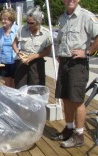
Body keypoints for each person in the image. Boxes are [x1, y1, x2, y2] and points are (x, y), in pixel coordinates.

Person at [51, 0, 98, 148]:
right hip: (64, 63)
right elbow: (60, 38)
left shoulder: (86, 16)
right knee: (65, 97)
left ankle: (79, 135)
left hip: (78, 64)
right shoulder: (63, 17)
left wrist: (88, 52)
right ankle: (69, 129)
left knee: (77, 100)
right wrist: (60, 52)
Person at [12, 6, 52, 89]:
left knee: (36, 89)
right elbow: (14, 44)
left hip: (36, 63)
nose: (28, 25)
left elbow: (48, 51)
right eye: (27, 22)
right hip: (22, 61)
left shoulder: (46, 33)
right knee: (20, 88)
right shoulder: (22, 29)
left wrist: (35, 56)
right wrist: (17, 52)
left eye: (31, 23)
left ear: (38, 21)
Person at [0, 8, 19, 88]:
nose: (3, 21)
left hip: (15, 60)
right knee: (7, 85)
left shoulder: (17, 30)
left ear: (11, 20)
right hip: (4, 60)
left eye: (5, 19)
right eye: (2, 19)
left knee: (15, 84)